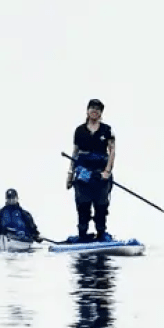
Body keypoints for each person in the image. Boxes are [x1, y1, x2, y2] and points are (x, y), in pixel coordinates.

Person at [66, 99, 115, 242]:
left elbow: (112, 152)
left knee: (101, 205)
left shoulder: (107, 130)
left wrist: (107, 171)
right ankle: (82, 234)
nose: (95, 110)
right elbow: (75, 153)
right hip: (83, 174)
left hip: (100, 174)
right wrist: (70, 174)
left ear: (101, 113)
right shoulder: (79, 130)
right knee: (83, 205)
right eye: (92, 108)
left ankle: (101, 233)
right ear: (87, 111)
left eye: (98, 109)